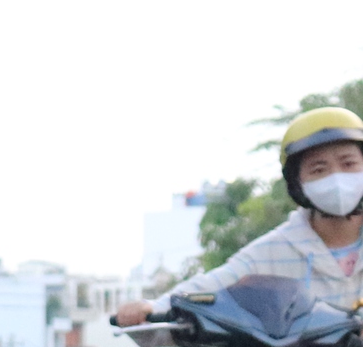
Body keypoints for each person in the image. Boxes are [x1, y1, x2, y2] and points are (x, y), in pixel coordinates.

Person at [117, 108, 363, 326]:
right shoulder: (275, 249)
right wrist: (154, 308)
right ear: (297, 182)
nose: (336, 178)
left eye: (348, 164)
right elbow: (212, 288)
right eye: (319, 169)